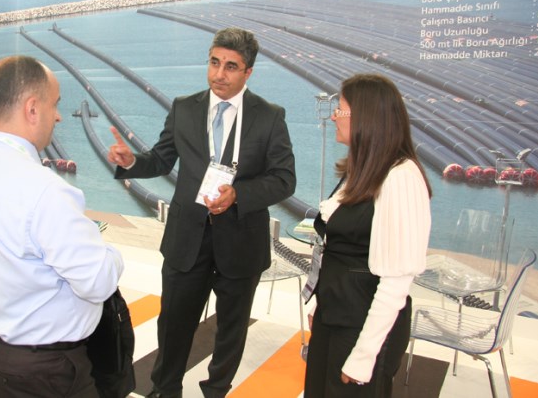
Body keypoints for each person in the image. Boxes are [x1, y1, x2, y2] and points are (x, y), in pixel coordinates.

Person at [108, 27, 296, 398]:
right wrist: (131, 162)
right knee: (173, 325)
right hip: (187, 238)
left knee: (231, 331)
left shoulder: (270, 116)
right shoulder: (183, 107)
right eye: (214, 63)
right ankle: (166, 389)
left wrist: (239, 194)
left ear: (248, 72)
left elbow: (284, 179)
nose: (218, 74)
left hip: (241, 240)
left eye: (230, 66)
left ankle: (216, 390)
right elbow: (160, 159)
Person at [0, 56, 124, 398]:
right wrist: (110, 253)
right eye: (55, 104)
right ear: (32, 109)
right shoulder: (45, 191)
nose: (58, 116)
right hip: (48, 372)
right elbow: (97, 282)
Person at [303, 74, 432, 397]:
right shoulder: (362, 171)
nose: (334, 116)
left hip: (363, 327)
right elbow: (342, 251)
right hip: (337, 314)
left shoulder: (401, 178)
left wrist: (363, 356)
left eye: (340, 110)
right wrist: (322, 303)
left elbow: (396, 281)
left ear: (367, 118)